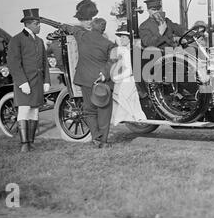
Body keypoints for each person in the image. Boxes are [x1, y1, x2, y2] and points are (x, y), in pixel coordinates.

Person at [57, 17, 116, 148]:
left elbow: (71, 29)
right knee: (104, 112)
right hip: (102, 82)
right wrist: (104, 74)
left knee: (89, 110)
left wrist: (62, 26)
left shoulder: (82, 36)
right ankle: (104, 142)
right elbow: (112, 61)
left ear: (91, 27)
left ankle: (95, 136)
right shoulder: (109, 44)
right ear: (103, 29)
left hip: (85, 80)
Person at [7, 8, 50, 153]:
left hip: (37, 82)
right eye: (37, 24)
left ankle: (31, 142)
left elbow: (45, 63)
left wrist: (46, 81)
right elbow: (14, 63)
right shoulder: (16, 39)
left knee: (35, 112)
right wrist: (22, 82)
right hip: (25, 82)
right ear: (29, 24)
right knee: (24, 110)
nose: (39, 26)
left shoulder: (40, 41)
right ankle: (24, 144)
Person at [110, 25, 146, 125]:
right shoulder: (125, 51)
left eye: (124, 37)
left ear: (130, 38)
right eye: (120, 37)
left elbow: (131, 70)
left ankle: (135, 117)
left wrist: (118, 77)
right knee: (122, 96)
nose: (121, 39)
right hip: (129, 78)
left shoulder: (133, 51)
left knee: (121, 95)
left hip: (133, 79)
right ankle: (134, 117)